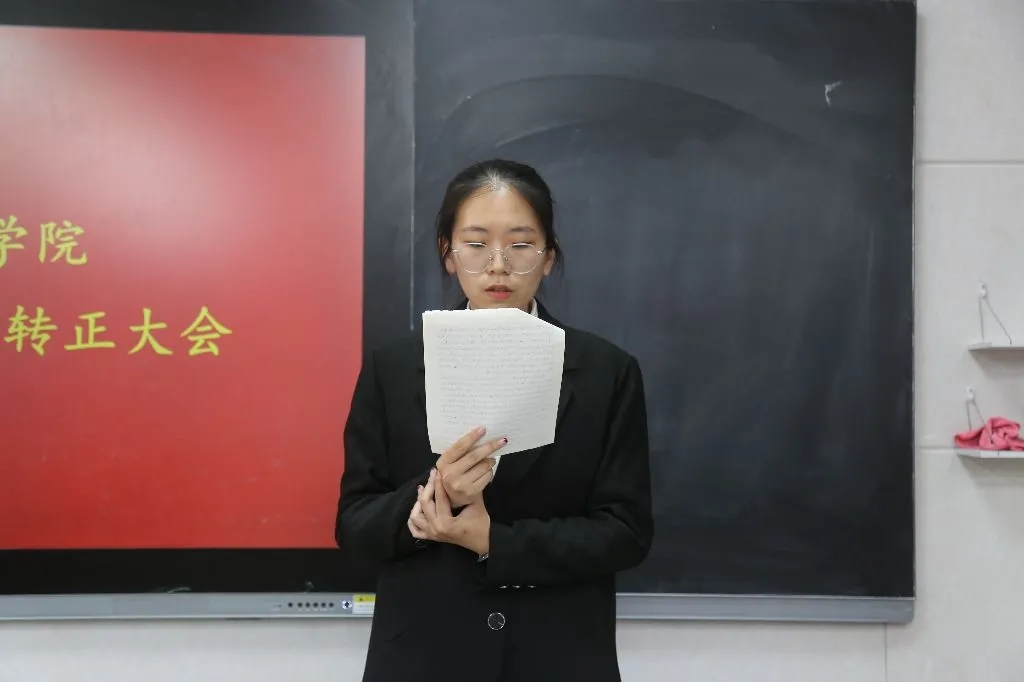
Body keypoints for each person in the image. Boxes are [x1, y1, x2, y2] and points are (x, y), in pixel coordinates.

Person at [335, 159, 654, 682]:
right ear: (449, 254)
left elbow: (626, 532)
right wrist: (436, 492)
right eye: (476, 244)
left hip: (558, 657)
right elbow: (354, 525)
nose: (498, 265)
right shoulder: (394, 368)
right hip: (424, 658)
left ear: (548, 258)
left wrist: (494, 542)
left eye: (521, 244)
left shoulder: (606, 372)